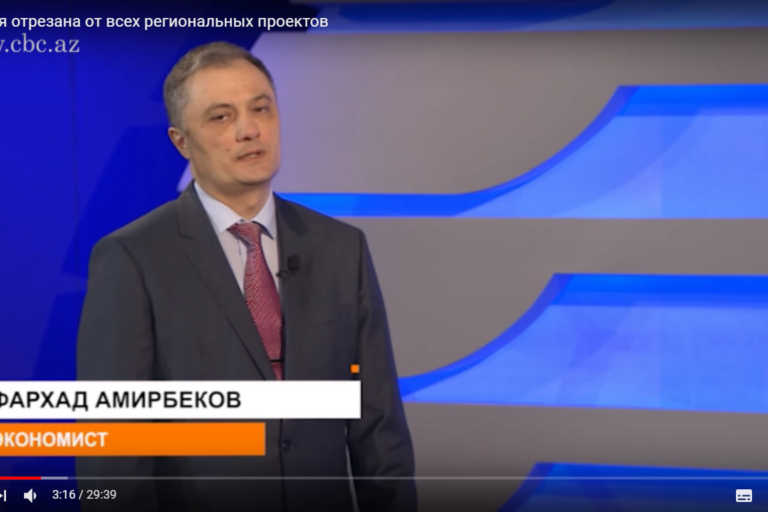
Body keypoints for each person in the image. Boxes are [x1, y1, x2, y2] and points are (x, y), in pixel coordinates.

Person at [76, 41, 416, 512]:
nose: (249, 129)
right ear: (181, 141)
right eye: (221, 117)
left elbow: (378, 424)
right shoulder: (132, 258)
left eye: (261, 109)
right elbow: (115, 449)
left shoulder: (342, 248)